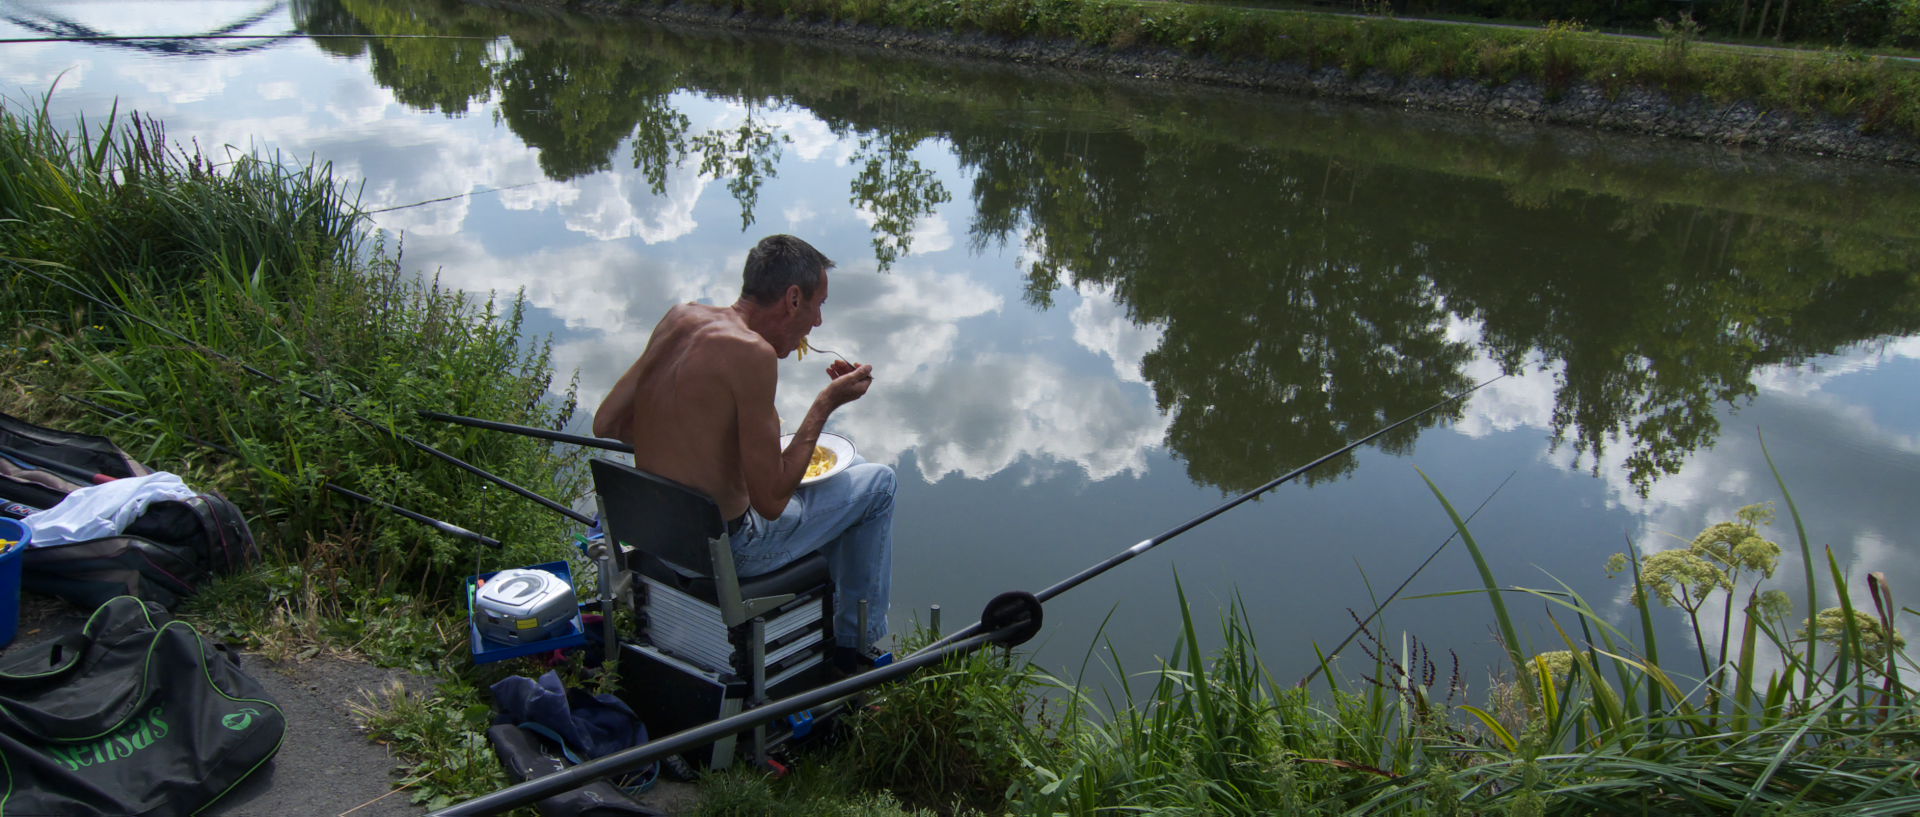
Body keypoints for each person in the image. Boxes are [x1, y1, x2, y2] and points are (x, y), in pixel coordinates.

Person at [593, 235, 896, 663]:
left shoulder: (681, 318)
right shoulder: (753, 354)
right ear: (793, 299)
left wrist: (700, 445)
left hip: (659, 534)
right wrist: (825, 403)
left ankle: (820, 623)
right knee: (879, 484)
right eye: (818, 304)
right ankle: (857, 647)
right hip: (729, 550)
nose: (819, 322)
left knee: (854, 471)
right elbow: (770, 502)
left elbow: (608, 423)